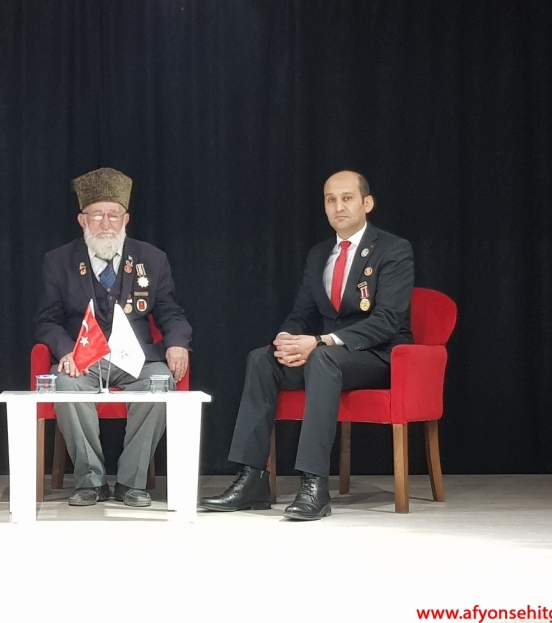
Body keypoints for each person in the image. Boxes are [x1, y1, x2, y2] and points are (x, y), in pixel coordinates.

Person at [199, 170, 414, 520]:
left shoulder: (393, 249)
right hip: (326, 355)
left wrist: (321, 341)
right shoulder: (319, 254)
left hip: (374, 354)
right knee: (262, 359)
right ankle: (252, 479)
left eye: (347, 198)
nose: (338, 206)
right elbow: (302, 313)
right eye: (331, 199)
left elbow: (388, 320)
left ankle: (314, 484)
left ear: (367, 203)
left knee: (322, 359)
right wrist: (286, 339)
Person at [35, 167, 192, 507]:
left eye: (113, 215)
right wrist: (66, 351)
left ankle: (131, 482)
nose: (106, 224)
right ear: (82, 220)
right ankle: (90, 481)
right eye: (97, 216)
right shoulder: (58, 261)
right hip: (83, 358)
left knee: (161, 383)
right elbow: (47, 321)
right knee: (65, 386)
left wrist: (178, 342)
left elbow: (170, 311)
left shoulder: (152, 259)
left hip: (136, 359)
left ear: (126, 219)